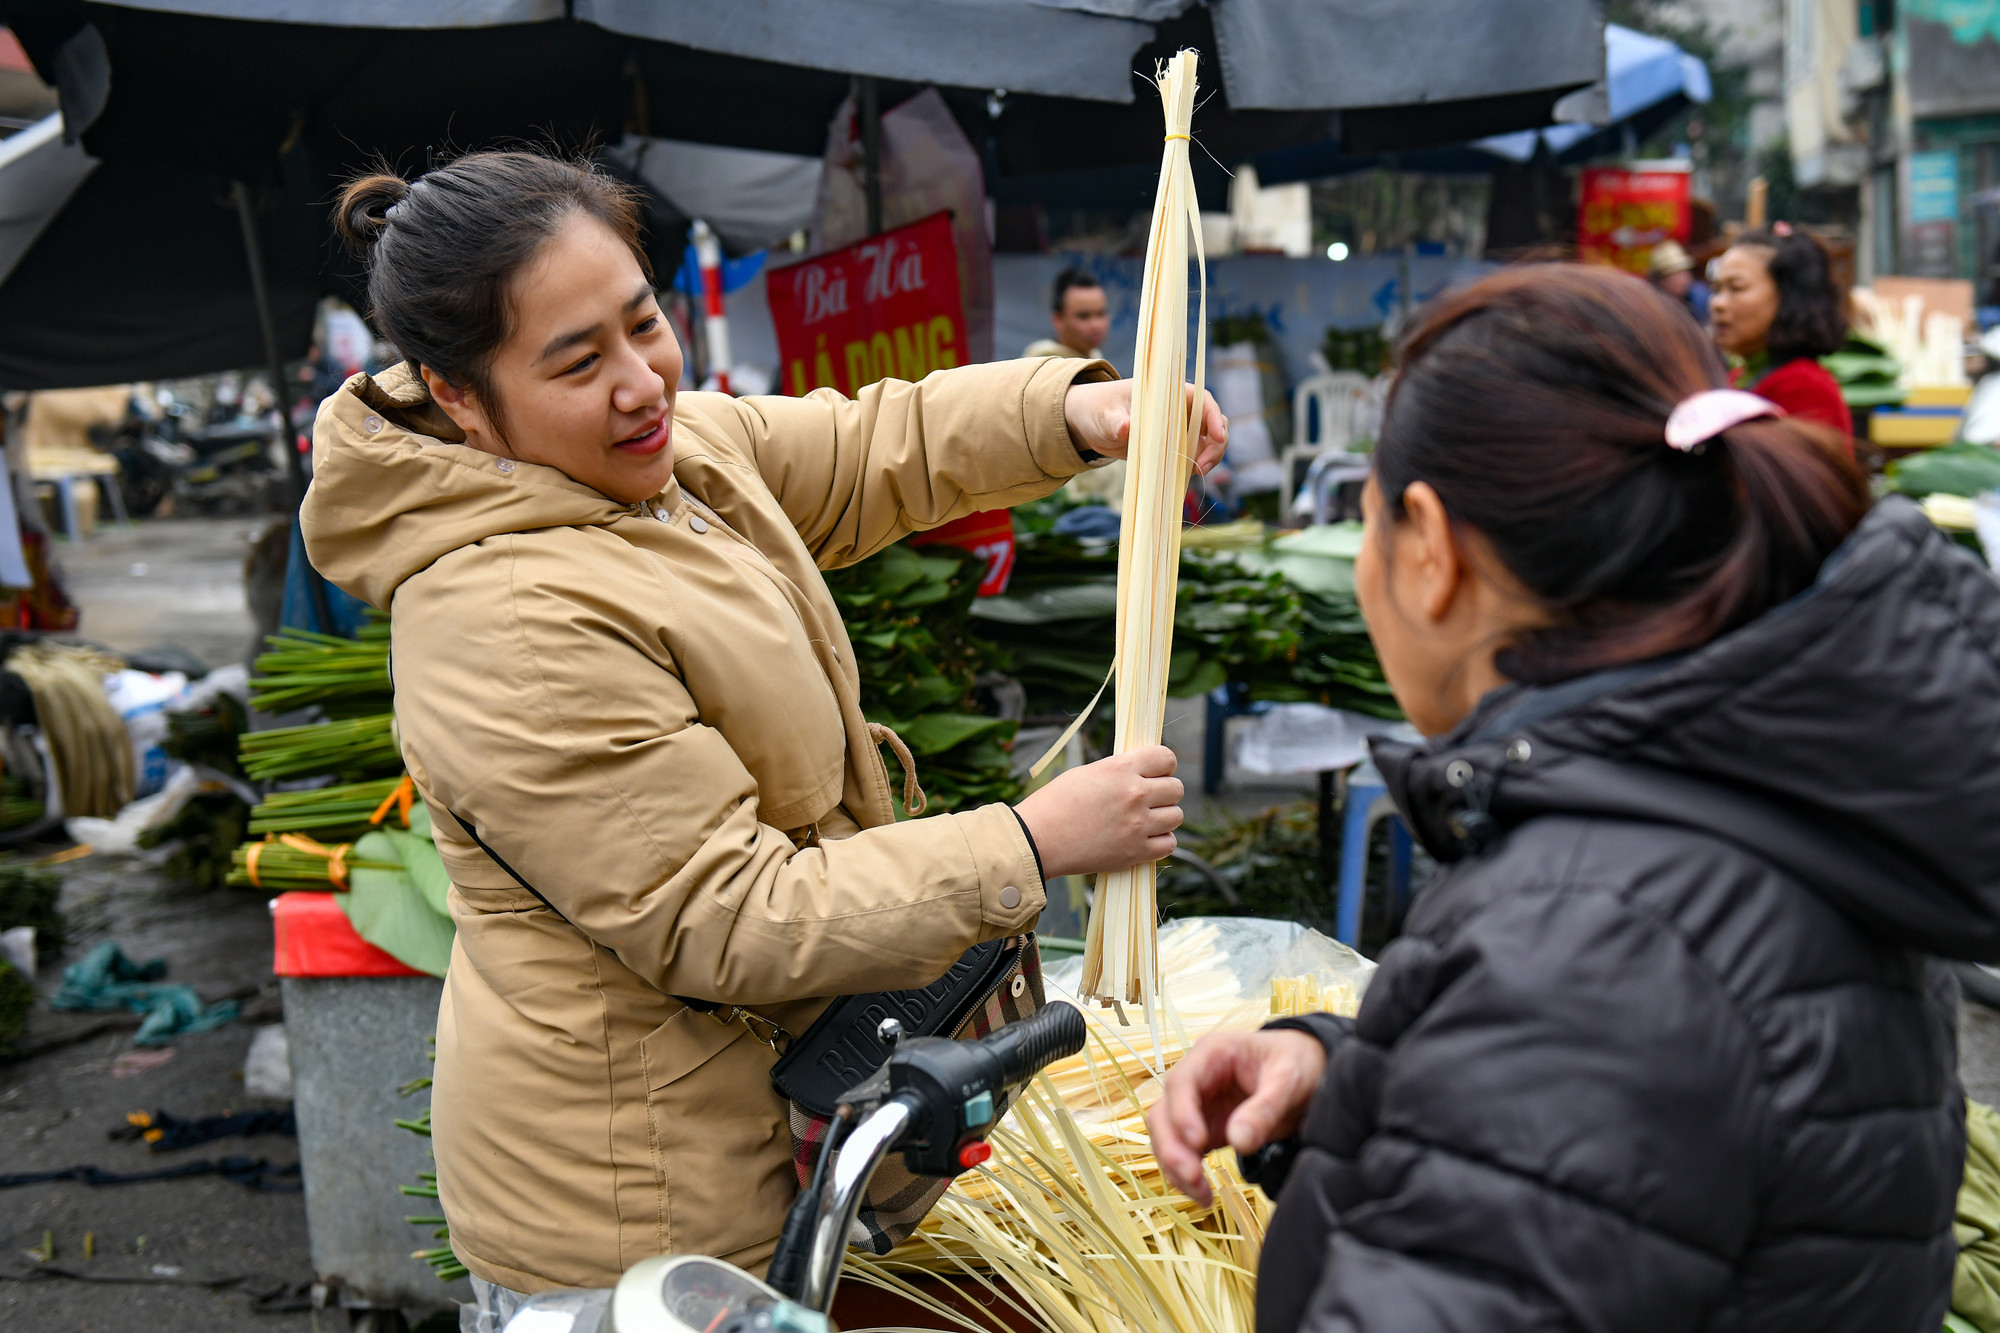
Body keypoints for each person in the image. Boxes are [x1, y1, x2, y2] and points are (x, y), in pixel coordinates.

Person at [304, 150, 1226, 1301]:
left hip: (771, 1128)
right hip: (645, 1213)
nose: (640, 381)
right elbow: (725, 914)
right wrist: (1029, 843)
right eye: (576, 361)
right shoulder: (504, 619)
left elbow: (866, 448)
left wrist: (1078, 410)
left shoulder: (670, 458)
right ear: (455, 395)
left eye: (643, 323)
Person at [1149, 263, 1997, 1331]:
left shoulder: (1593, 939)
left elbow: (1593, 1064)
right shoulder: (1753, 798)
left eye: (1367, 522)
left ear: (1429, 547)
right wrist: (1353, 1074)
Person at [1710, 226, 1854, 437]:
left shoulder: (1804, 388)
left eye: (1736, 288)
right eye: (1716, 290)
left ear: (1787, 296)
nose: (1718, 304)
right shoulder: (1739, 377)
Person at [1023, 267, 1109, 359]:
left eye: (1101, 314)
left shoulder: (1095, 358)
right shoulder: (1042, 364)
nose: (1095, 325)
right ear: (1058, 319)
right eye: (1083, 316)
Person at [1647, 237, 1708, 324]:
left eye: (1685, 272)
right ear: (1661, 280)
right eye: (1676, 274)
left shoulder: (1699, 297)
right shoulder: (1651, 308)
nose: (1684, 278)